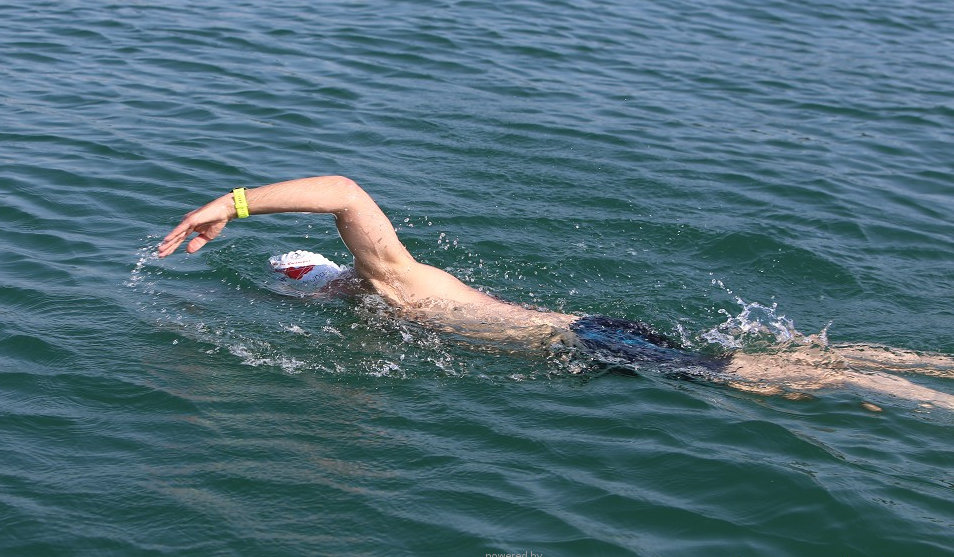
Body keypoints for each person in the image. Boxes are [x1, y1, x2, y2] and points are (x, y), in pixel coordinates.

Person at [159, 176, 954, 410]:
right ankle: (932, 367)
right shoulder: (364, 299)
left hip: (584, 344)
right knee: (779, 359)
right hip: (585, 330)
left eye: (308, 282)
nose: (320, 290)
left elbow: (342, 193)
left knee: (767, 381)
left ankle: (924, 397)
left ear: (329, 274)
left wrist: (229, 206)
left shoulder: (392, 282)